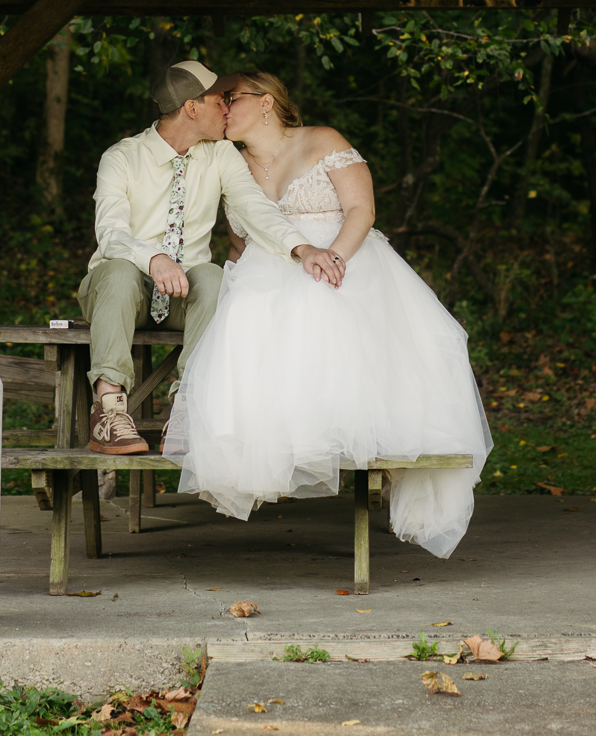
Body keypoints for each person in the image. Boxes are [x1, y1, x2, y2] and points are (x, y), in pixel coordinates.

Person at [163, 71, 494, 559]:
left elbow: (362, 208)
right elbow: (236, 239)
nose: (223, 107)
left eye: (231, 98)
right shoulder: (225, 161)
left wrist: (334, 258)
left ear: (268, 101)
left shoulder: (323, 141)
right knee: (247, 312)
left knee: (317, 302)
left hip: (345, 259)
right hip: (265, 269)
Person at [79, 59, 345, 456]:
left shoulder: (221, 155)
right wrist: (154, 258)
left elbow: (256, 209)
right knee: (119, 271)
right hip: (119, 296)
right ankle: (108, 410)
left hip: (184, 295)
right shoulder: (121, 157)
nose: (228, 106)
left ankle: (187, 407)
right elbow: (111, 232)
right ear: (192, 108)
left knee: (214, 277)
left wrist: (300, 247)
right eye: (219, 98)